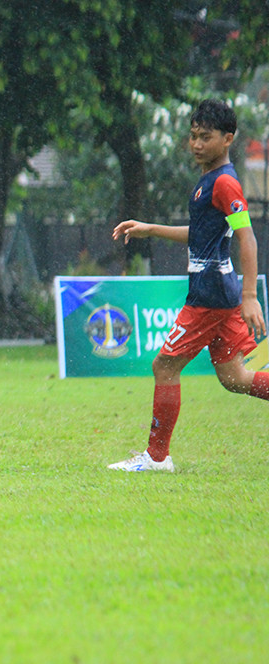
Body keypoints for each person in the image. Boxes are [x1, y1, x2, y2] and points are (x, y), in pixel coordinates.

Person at [109, 98, 267, 472]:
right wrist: (150, 228)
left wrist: (250, 296)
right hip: (218, 293)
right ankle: (156, 457)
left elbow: (247, 238)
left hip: (211, 297)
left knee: (164, 366)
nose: (196, 144)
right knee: (235, 378)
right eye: (193, 136)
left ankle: (156, 458)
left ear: (228, 139)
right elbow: (200, 235)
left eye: (206, 137)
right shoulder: (209, 182)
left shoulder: (225, 183)